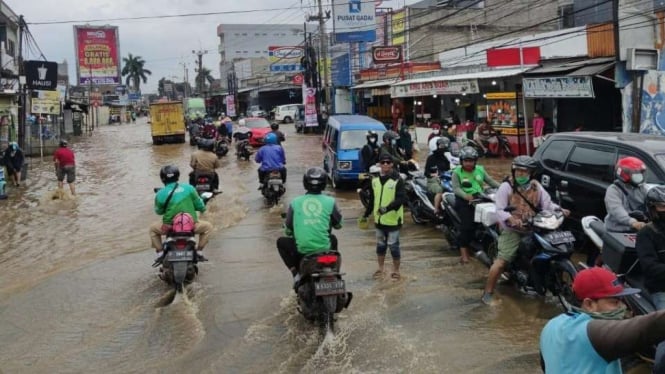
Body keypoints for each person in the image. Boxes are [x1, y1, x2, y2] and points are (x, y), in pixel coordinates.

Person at [540, 267, 665, 373]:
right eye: (614, 302)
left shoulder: (551, 326)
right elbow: (648, 326)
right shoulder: (593, 334)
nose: (622, 307)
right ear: (589, 304)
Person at [481, 155, 566, 305]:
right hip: (512, 230)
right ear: (514, 172)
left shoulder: (536, 186)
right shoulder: (506, 187)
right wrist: (510, 219)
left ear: (531, 173)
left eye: (524, 172)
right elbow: (499, 209)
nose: (521, 174)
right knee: (501, 262)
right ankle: (487, 293)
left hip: (534, 227)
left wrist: (559, 209)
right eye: (518, 171)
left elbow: (547, 204)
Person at [276, 167, 342, 286]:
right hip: (325, 249)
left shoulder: (295, 202)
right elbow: (338, 225)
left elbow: (288, 229)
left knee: (281, 242)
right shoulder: (330, 201)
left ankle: (296, 274)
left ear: (305, 183)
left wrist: (289, 231)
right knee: (333, 238)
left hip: (303, 250)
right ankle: (334, 270)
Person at [150, 165, 213, 263]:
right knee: (208, 227)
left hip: (169, 227)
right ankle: (199, 252)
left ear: (162, 178)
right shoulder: (189, 188)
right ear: (177, 176)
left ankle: (160, 253)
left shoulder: (160, 193)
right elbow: (201, 207)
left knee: (153, 230)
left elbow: (159, 211)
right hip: (191, 226)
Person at [359, 153, 407, 281]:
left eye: (388, 162)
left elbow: (402, 199)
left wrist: (387, 208)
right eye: (383, 162)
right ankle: (381, 269)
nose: (385, 164)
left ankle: (396, 271)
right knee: (380, 246)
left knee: (394, 246)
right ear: (379, 164)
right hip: (379, 220)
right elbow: (373, 200)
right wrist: (366, 215)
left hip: (393, 220)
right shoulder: (374, 181)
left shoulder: (397, 180)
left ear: (392, 164)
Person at [451, 146, 500, 265]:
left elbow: (491, 182)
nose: (468, 163)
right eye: (466, 161)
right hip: (465, 200)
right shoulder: (456, 172)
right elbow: (456, 188)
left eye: (471, 160)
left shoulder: (480, 169)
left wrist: (504, 187)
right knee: (467, 227)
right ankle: (464, 254)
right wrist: (465, 195)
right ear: (461, 161)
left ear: (475, 161)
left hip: (481, 197)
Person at [604, 156, 648, 233]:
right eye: (636, 173)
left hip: (638, 228)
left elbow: (651, 200)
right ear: (624, 174)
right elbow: (616, 210)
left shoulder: (641, 187)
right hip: (617, 230)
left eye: (640, 173)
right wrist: (633, 222)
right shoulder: (614, 189)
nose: (639, 175)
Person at [425, 138, 452, 215]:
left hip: (444, 179)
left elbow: (449, 169)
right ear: (436, 146)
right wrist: (433, 174)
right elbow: (426, 172)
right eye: (441, 146)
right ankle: (436, 209)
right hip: (432, 181)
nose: (443, 148)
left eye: (444, 146)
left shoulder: (445, 158)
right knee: (440, 190)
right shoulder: (431, 158)